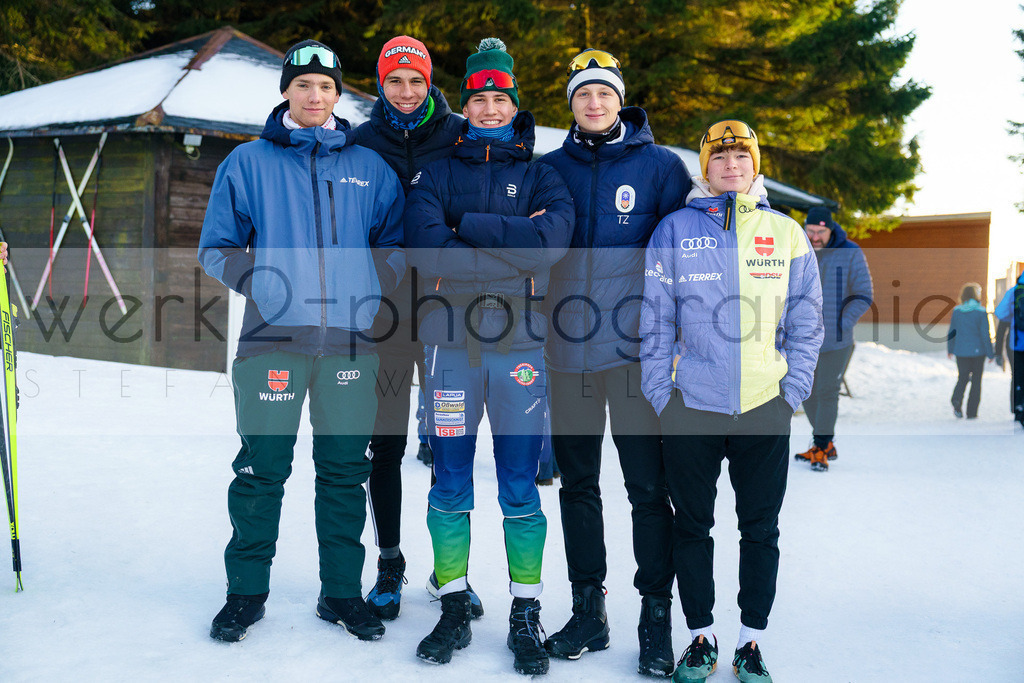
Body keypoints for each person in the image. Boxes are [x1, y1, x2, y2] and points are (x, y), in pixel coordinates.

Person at [197, 40, 405, 643]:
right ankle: (245, 594)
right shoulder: (247, 164)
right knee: (261, 469)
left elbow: (394, 243)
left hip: (350, 345)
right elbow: (217, 247)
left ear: (340, 95)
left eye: (326, 87)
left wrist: (371, 284)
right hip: (272, 343)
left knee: (344, 472)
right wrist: (263, 283)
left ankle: (341, 593)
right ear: (286, 90)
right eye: (304, 85)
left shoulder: (371, 168)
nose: (315, 97)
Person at [404, 37, 574, 675]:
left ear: (514, 105)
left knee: (519, 487)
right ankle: (452, 602)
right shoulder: (437, 171)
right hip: (450, 349)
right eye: (479, 99)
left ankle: (524, 609)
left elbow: (549, 246)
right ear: (465, 105)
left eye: (500, 98)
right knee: (448, 482)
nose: (489, 109)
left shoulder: (543, 173)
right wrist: (510, 241)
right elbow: (424, 247)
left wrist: (466, 229)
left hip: (520, 350)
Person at [640, 120, 823, 683]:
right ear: (704, 168)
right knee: (692, 527)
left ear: (754, 165)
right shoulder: (673, 230)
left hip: (764, 405)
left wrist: (792, 390)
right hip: (691, 405)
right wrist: (659, 391)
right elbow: (654, 317)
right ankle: (701, 638)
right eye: (719, 157)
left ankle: (750, 642)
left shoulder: (785, 232)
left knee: (759, 529)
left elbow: (807, 317)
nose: (730, 165)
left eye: (740, 156)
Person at [535, 48, 690, 676]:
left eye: (603, 92)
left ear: (620, 98)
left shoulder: (661, 168)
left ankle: (656, 618)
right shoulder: (549, 169)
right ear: (570, 103)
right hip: (566, 355)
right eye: (582, 94)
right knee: (578, 487)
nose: (594, 103)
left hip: (634, 358)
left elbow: (689, 253)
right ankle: (588, 611)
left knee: (648, 491)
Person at [352, 35, 484, 622]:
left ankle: (450, 570)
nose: (406, 92)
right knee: (385, 443)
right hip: (383, 316)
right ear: (380, 83)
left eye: (416, 80)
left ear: (430, 82)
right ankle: (389, 561)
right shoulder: (360, 141)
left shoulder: (458, 133)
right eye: (394, 80)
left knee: (449, 445)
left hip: (447, 310)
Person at [794, 207, 872, 471]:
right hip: (802, 338)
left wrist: (841, 324)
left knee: (826, 391)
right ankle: (825, 442)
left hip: (836, 340)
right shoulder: (798, 249)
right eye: (811, 230)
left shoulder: (850, 252)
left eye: (820, 231)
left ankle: (821, 445)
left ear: (831, 230)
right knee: (806, 391)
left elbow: (863, 294)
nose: (815, 236)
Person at [947, 282, 994, 419]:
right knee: (976, 381)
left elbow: (952, 331)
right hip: (978, 352)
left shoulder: (957, 311)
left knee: (962, 377)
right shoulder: (980, 311)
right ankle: (972, 412)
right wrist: (990, 353)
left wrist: (950, 349)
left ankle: (956, 399)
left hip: (961, 351)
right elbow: (985, 334)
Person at [994, 271, 1024, 428]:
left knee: (1017, 376)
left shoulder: (1013, 291)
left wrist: (998, 350)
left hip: (1016, 344)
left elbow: (1000, 314)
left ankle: (1017, 409)